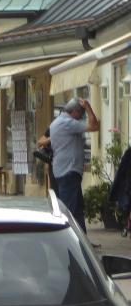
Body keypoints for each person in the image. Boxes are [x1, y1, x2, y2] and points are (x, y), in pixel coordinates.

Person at [47, 97, 99, 231]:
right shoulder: (68, 123)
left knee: (77, 209)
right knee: (70, 211)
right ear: (75, 111)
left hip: (62, 170)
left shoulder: (56, 122)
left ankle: (82, 241)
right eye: (81, 114)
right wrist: (87, 107)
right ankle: (69, 239)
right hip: (69, 170)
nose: (81, 117)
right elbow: (94, 126)